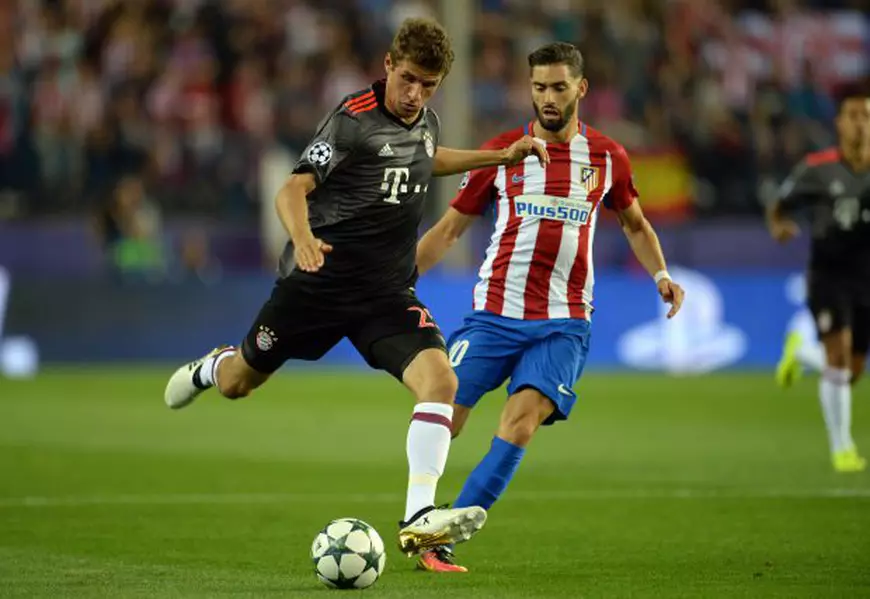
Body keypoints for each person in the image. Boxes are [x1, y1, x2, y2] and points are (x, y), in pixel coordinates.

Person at [162, 17, 548, 557]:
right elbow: (292, 188)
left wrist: (498, 157)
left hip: (385, 294)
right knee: (238, 384)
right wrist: (303, 239)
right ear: (388, 65)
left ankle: (418, 515)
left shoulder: (426, 120)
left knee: (441, 380)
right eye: (409, 79)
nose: (415, 94)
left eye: (428, 85)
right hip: (316, 286)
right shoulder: (351, 120)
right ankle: (211, 366)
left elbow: (425, 158)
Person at [413, 42, 685, 573]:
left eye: (559, 87)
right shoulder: (502, 152)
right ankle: (415, 511)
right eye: (539, 87)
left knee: (521, 421)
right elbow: (448, 230)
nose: (549, 98)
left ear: (581, 89)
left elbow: (634, 222)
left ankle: (439, 537)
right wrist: (396, 282)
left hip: (563, 323)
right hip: (493, 313)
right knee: (444, 415)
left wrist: (661, 273)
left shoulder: (607, 157)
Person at [767, 83, 870, 473]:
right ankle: (842, 448)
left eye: (867, 117)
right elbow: (781, 203)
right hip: (829, 274)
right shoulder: (819, 168)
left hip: (866, 278)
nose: (861, 124)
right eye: (854, 116)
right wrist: (779, 225)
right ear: (840, 123)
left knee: (852, 368)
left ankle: (801, 353)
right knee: (840, 356)